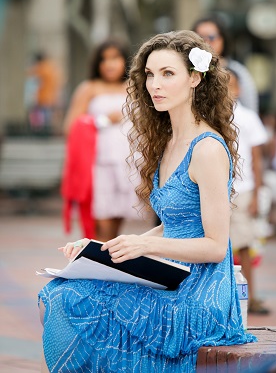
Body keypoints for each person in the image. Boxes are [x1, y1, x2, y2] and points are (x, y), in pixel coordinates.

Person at [38, 30, 256, 373]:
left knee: (70, 298)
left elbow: (216, 247)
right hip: (174, 275)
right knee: (61, 289)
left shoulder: (208, 149)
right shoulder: (169, 142)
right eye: (151, 74)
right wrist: (104, 249)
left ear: (195, 79)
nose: (156, 84)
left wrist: (141, 246)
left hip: (200, 294)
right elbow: (175, 225)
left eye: (168, 74)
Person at [62, 39, 138, 241]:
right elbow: (70, 127)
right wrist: (103, 121)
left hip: (125, 164)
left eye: (115, 58)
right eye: (104, 59)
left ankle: (108, 267)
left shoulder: (133, 87)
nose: (109, 64)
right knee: (100, 224)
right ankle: (97, 267)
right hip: (98, 164)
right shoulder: (89, 88)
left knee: (115, 227)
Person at [227, 68, 270, 315]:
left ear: (239, 89)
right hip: (220, 190)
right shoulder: (209, 117)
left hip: (243, 190)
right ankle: (225, 296)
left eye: (231, 85)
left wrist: (257, 194)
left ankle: (250, 297)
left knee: (243, 245)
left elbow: (256, 158)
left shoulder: (248, 117)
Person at [192, 15, 259, 113]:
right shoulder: (188, 69)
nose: (206, 42)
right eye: (200, 38)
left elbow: (250, 109)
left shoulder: (237, 71)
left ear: (222, 39)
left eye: (211, 37)